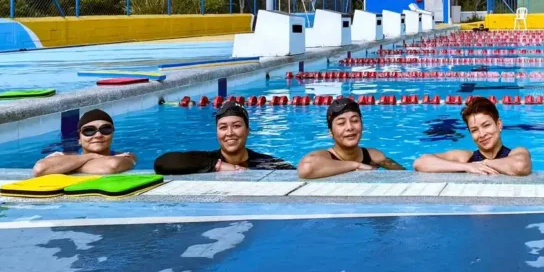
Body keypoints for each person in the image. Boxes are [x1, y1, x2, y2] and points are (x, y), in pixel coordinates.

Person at [154, 100, 293, 174]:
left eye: (237, 126)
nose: (230, 133)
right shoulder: (207, 160)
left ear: (248, 130)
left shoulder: (269, 163)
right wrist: (216, 166)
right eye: (223, 127)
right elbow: (162, 163)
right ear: (217, 132)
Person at [413, 96, 532, 176]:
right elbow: (421, 162)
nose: (482, 134)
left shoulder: (516, 153)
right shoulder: (466, 157)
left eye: (486, 125)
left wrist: (484, 163)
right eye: (474, 130)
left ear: (499, 124)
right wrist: (467, 166)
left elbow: (520, 166)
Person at [297, 97, 405, 179]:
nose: (349, 127)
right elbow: (307, 167)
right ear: (330, 132)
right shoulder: (326, 157)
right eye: (341, 123)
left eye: (355, 121)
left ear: (362, 126)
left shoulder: (374, 156)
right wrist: (355, 165)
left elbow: (406, 175)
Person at [32, 109, 137, 176]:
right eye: (89, 131)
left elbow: (111, 166)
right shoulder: (64, 155)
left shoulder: (127, 156)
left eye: (105, 129)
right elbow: (40, 169)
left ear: (112, 134)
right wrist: (91, 156)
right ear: (79, 138)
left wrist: (64, 167)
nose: (98, 135)